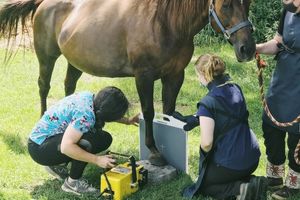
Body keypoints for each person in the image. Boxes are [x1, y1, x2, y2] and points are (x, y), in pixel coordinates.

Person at [174, 54, 267, 199]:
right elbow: (227, 113)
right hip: (252, 157)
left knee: (205, 184)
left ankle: (245, 188)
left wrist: (205, 159)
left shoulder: (208, 102)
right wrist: (197, 117)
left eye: (198, 75)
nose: (198, 79)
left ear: (205, 75)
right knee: (222, 174)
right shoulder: (236, 88)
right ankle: (253, 181)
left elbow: (206, 143)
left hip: (233, 164)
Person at [27, 86, 139, 195]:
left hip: (44, 141)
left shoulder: (90, 98)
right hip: (39, 149)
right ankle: (72, 183)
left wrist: (127, 121)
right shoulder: (85, 116)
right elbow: (66, 147)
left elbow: (104, 110)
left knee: (103, 138)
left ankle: (57, 164)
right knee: (87, 142)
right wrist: (97, 160)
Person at [256, 0, 300, 199]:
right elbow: (278, 43)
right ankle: (274, 177)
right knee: (271, 126)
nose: (287, 1)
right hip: (283, 75)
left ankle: (294, 184)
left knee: (297, 135)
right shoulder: (288, 10)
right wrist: (256, 48)